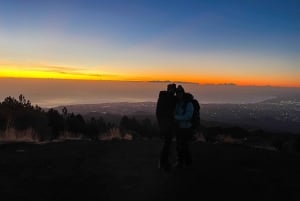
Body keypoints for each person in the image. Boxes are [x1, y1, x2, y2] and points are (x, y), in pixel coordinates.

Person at [156, 83, 177, 171]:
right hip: (166, 125)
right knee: (167, 145)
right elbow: (160, 113)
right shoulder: (167, 98)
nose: (172, 91)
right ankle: (164, 163)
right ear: (168, 89)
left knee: (167, 144)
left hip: (167, 125)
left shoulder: (164, 97)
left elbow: (158, 113)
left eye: (173, 90)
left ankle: (164, 163)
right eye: (171, 89)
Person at [174, 85, 194, 168]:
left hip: (186, 128)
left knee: (184, 146)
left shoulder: (188, 103)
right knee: (179, 146)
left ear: (183, 93)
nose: (178, 94)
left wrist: (176, 117)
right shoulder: (178, 103)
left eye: (180, 92)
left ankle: (186, 163)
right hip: (179, 128)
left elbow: (188, 116)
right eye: (177, 93)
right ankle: (182, 162)